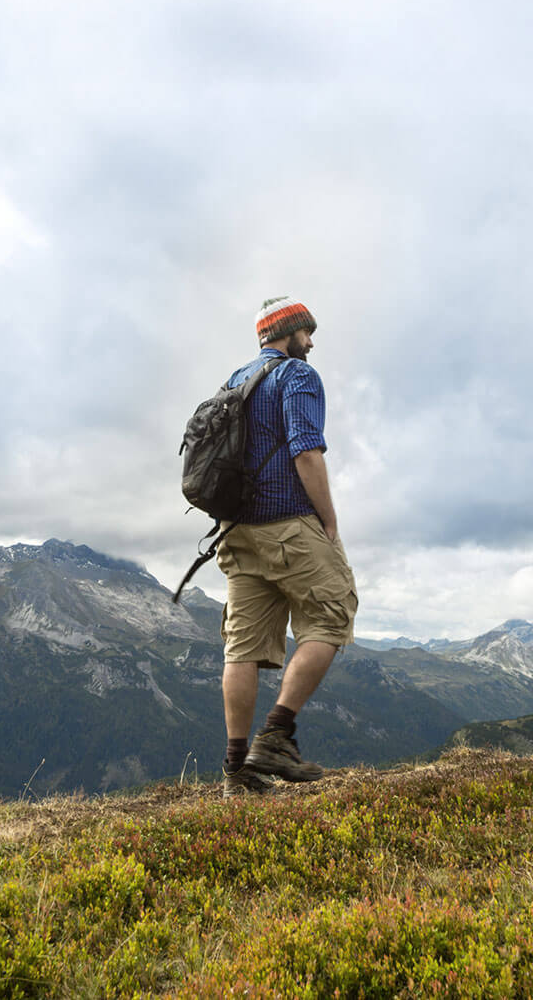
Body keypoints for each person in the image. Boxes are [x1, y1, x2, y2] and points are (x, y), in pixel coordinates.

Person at [217, 296, 359, 797]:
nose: (312, 342)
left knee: (243, 648)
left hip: (236, 532)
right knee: (333, 613)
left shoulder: (235, 380)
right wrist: (329, 520)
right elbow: (305, 450)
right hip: (288, 524)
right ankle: (277, 736)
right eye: (308, 332)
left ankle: (238, 772)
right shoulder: (297, 377)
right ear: (289, 332)